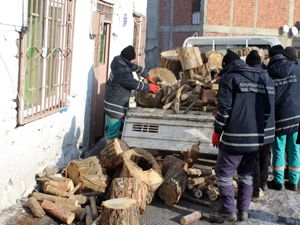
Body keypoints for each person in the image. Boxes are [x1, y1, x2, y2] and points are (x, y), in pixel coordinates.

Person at [211, 49, 271, 222]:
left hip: (234, 138)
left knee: (223, 173)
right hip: (255, 139)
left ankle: (228, 211)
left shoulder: (229, 78)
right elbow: (267, 111)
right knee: (246, 174)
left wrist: (217, 131)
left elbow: (224, 111)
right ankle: (243, 211)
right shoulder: (260, 78)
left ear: (227, 66)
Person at [104, 45, 160, 142]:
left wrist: (146, 75)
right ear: (127, 59)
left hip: (112, 101)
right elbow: (134, 84)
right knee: (112, 137)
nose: (131, 62)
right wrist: (149, 87)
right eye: (131, 60)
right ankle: (108, 153)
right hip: (115, 106)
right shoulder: (122, 72)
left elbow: (133, 67)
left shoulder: (118, 61)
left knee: (112, 132)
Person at [267, 46, 300, 191]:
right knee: (295, 149)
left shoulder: (268, 72)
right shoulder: (296, 68)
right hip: (296, 115)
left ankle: (278, 182)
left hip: (278, 117)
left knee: (279, 150)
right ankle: (293, 182)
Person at [246, 50, 275, 200]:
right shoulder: (269, 78)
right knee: (265, 157)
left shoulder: (252, 78)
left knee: (255, 159)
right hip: (270, 127)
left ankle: (255, 190)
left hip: (257, 127)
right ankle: (263, 184)